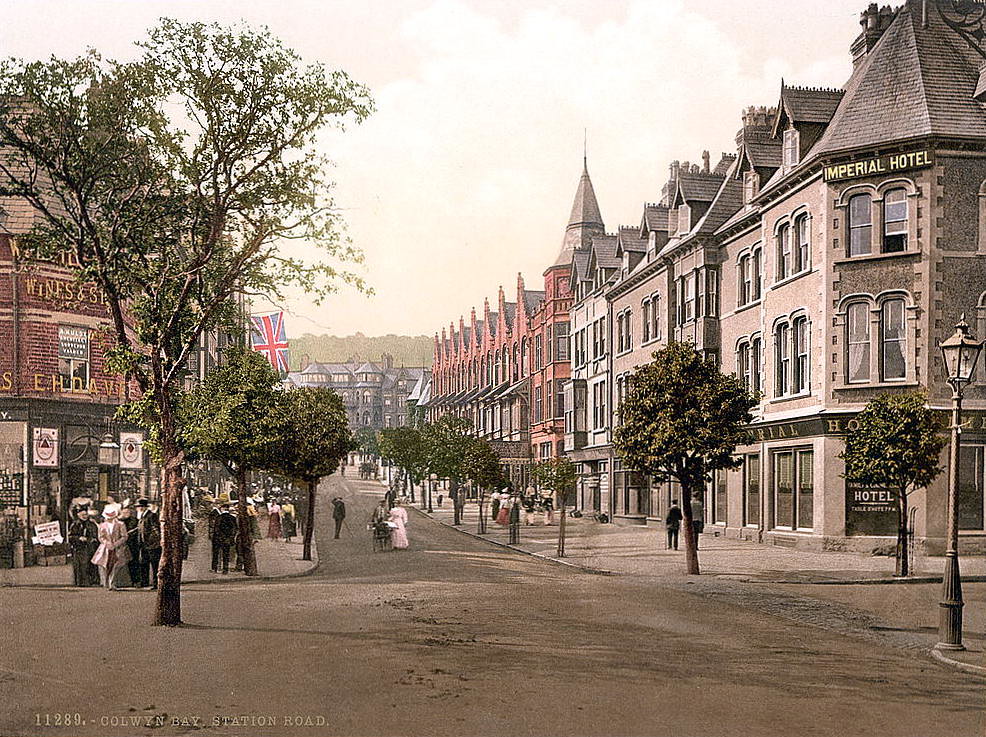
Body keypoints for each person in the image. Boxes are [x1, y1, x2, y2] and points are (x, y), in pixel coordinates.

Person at [91, 504, 130, 590]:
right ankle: (106, 583)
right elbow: (101, 537)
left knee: (116, 564)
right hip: (105, 548)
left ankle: (113, 583)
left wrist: (115, 544)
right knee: (104, 564)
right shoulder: (102, 525)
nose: (109, 518)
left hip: (118, 548)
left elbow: (124, 536)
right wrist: (107, 543)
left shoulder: (121, 524)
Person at [68, 506, 99, 586]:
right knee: (80, 566)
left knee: (90, 565)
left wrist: (91, 539)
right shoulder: (75, 524)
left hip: (90, 548)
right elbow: (70, 537)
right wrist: (78, 538)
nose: (85, 516)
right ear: (78, 515)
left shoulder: (92, 524)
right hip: (79, 549)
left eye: (86, 515)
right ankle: (80, 582)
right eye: (83, 515)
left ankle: (91, 581)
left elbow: (96, 535)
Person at [136, 498, 162, 589]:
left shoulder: (151, 515)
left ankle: (156, 584)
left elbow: (155, 529)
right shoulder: (142, 516)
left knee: (154, 564)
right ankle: (144, 582)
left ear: (143, 507)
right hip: (144, 544)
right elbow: (140, 529)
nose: (137, 509)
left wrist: (156, 541)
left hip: (151, 544)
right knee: (144, 563)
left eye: (138, 507)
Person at [214, 503, 238, 574]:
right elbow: (234, 529)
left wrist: (220, 536)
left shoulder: (219, 518)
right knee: (226, 554)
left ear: (222, 509)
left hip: (219, 538)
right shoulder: (233, 518)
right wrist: (231, 537)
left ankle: (217, 568)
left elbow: (216, 529)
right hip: (228, 539)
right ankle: (225, 569)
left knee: (218, 554)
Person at [121, 506, 141, 587]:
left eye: (127, 512)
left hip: (133, 545)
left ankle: (135, 581)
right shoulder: (120, 521)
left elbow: (137, 532)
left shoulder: (135, 521)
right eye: (124, 512)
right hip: (122, 544)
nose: (125, 514)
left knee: (134, 563)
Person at [207, 499, 222, 572]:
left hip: (217, 535)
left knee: (217, 552)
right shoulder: (214, 513)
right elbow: (212, 525)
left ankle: (217, 567)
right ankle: (215, 567)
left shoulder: (217, 513)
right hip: (216, 535)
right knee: (216, 552)